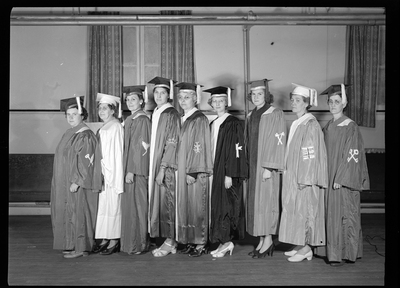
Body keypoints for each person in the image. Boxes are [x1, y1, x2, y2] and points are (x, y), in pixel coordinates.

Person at [315, 84, 370, 266]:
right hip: (329, 176)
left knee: (343, 215)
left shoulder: (349, 126)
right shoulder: (329, 125)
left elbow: (352, 154)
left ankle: (342, 254)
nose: (332, 105)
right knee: (330, 214)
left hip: (341, 180)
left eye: (336, 102)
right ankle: (330, 251)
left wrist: (341, 178)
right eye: (330, 101)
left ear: (344, 104)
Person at [278, 83, 328, 262]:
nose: (293, 103)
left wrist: (305, 178)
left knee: (306, 210)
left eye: (298, 101)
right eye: (292, 100)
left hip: (304, 177)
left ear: (306, 103)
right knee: (295, 210)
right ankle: (300, 243)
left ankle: (307, 248)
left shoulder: (310, 124)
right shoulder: (297, 122)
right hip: (294, 175)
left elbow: (310, 153)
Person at [51, 96, 100, 259]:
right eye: (68, 114)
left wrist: (77, 181)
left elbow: (87, 161)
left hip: (77, 183)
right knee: (71, 214)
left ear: (82, 115)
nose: (70, 117)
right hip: (66, 182)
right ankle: (71, 244)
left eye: (74, 114)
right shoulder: (69, 132)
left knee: (80, 214)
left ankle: (82, 248)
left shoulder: (85, 135)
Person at [244, 79, 286, 259]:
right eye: (253, 94)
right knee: (256, 203)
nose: (256, 97)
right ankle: (262, 238)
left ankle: (268, 239)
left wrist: (269, 166)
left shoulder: (274, 113)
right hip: (253, 166)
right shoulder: (251, 115)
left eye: (260, 94)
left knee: (266, 203)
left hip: (266, 166)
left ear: (266, 95)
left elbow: (278, 140)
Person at [204, 86, 248, 258]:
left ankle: (228, 242)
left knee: (226, 206)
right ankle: (222, 242)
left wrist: (230, 174)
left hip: (226, 173)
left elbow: (236, 149)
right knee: (218, 206)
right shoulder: (214, 122)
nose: (217, 104)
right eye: (214, 101)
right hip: (216, 171)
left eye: (221, 101)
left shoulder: (233, 123)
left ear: (227, 103)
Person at [175, 82, 213, 257]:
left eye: (187, 97)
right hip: (183, 169)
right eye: (181, 97)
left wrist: (193, 171)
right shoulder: (183, 118)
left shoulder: (199, 118)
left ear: (196, 98)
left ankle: (201, 242)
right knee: (187, 206)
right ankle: (190, 240)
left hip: (194, 170)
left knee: (198, 206)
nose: (183, 100)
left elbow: (200, 145)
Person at [146, 76, 181, 258]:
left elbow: (172, 143)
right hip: (157, 164)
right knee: (162, 201)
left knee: (169, 201)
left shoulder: (171, 114)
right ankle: (170, 241)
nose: (159, 96)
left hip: (166, 167)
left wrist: (162, 168)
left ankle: (170, 241)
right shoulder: (157, 112)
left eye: (163, 93)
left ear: (169, 95)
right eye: (156, 93)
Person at [120, 85, 152, 255]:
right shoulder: (131, 118)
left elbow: (139, 147)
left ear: (141, 100)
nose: (130, 102)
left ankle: (137, 244)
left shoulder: (141, 119)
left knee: (138, 207)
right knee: (130, 207)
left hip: (136, 171)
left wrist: (131, 170)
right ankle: (130, 243)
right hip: (129, 169)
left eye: (134, 99)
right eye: (128, 100)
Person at [91, 93, 124, 255]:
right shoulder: (104, 126)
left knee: (112, 206)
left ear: (112, 110)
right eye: (100, 108)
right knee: (104, 207)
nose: (101, 111)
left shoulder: (115, 126)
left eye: (105, 108)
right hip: (102, 172)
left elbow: (117, 154)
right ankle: (104, 237)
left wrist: (109, 174)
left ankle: (114, 239)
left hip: (111, 173)